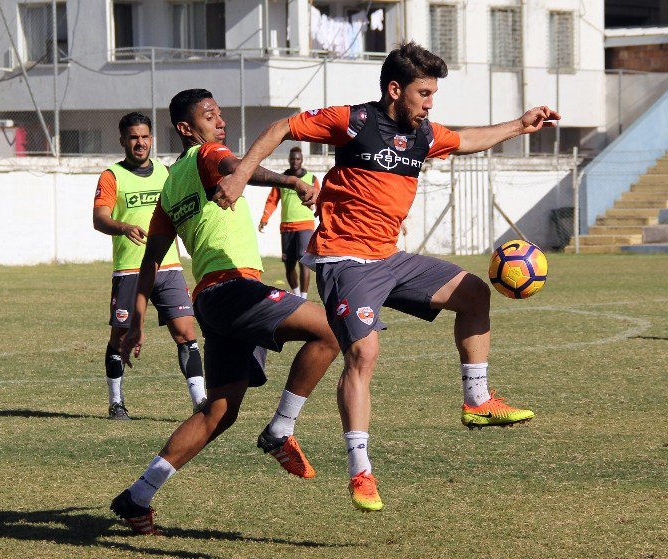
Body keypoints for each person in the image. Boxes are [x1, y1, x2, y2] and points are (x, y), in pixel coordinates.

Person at [212, 42, 561, 512]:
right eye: (424, 92)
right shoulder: (352, 121)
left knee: (475, 293)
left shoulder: (423, 135)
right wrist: (240, 177)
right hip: (345, 262)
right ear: (395, 89)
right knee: (364, 351)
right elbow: (281, 127)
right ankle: (361, 471)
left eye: (433, 93)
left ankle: (477, 400)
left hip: (389, 259)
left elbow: (467, 139)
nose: (430, 102)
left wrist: (521, 125)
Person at [110, 89, 339, 535]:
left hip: (212, 303)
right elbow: (238, 168)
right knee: (332, 329)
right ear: (186, 128)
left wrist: (136, 319)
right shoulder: (208, 154)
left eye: (220, 115)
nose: (221, 122)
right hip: (234, 291)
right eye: (210, 115)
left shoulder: (170, 187)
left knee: (218, 412)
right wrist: (291, 182)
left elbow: (151, 258)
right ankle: (280, 429)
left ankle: (137, 497)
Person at [93, 112, 206, 419]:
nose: (139, 143)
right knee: (119, 336)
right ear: (123, 141)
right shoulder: (111, 176)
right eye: (133, 137)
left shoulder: (166, 173)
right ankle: (116, 403)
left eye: (144, 137)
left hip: (168, 267)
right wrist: (122, 226)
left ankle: (200, 403)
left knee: (186, 335)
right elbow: (99, 218)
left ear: (151, 139)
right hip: (130, 270)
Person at [258, 146, 320, 299]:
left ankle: (303, 297)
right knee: (289, 263)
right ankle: (297, 294)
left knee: (303, 260)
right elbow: (272, 200)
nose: (295, 161)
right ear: (289, 160)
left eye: (297, 159)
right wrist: (264, 218)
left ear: (302, 160)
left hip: (305, 226)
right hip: (286, 227)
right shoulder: (282, 179)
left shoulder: (311, 179)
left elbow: (320, 198)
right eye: (292, 159)